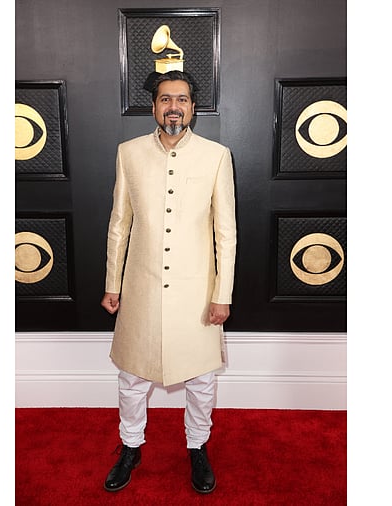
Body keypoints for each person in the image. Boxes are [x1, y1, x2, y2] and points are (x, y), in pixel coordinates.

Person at [100, 70, 237, 494]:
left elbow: (225, 232)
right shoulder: (129, 153)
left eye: (181, 99)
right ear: (154, 106)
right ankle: (130, 445)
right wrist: (112, 283)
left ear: (193, 107)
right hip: (140, 285)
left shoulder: (216, 155)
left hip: (197, 291)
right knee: (132, 377)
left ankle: (197, 447)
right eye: (165, 99)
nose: (173, 106)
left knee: (200, 378)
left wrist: (223, 294)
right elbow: (119, 223)